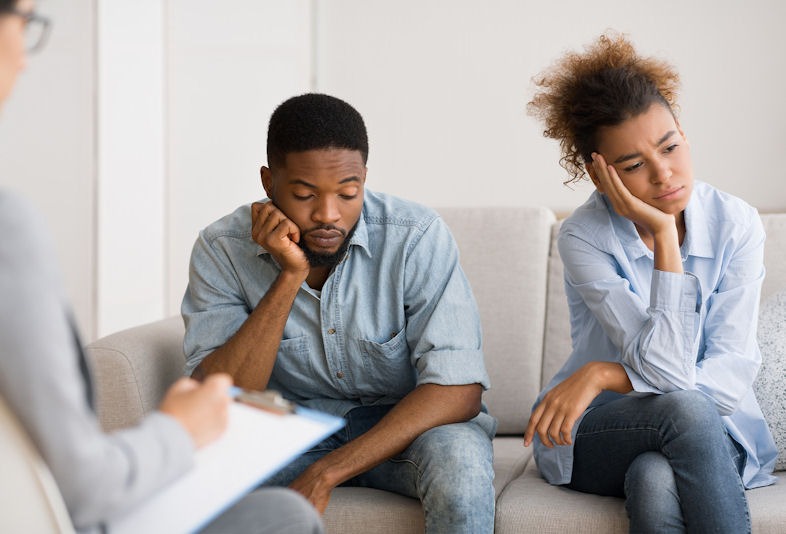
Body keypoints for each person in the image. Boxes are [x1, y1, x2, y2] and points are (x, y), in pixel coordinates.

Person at [0, 2, 323, 533]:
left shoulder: (411, 236)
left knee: (280, 510)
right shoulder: (8, 229)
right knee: (285, 519)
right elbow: (82, 488)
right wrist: (179, 428)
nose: (26, 59)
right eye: (25, 21)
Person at [182, 93, 497, 533]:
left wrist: (327, 472)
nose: (328, 215)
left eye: (348, 193)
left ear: (364, 179)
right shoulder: (222, 249)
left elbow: (458, 390)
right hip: (296, 428)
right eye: (304, 194)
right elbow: (221, 398)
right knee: (195, 481)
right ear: (269, 183)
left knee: (460, 466)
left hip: (411, 429)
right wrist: (290, 274)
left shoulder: (415, 237)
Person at [523, 32, 777, 533]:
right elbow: (668, 373)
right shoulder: (583, 237)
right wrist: (664, 234)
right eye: (634, 166)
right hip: (603, 429)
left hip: (715, 429)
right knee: (681, 409)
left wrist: (603, 373)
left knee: (654, 476)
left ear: (683, 130)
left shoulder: (738, 223)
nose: (664, 175)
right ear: (600, 177)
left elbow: (727, 378)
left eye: (670, 146)